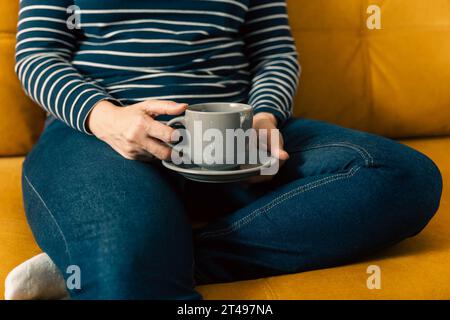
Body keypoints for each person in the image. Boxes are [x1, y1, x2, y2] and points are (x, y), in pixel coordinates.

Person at [16, 0, 442, 299]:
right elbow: (36, 54)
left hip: (234, 128)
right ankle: (125, 258)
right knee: (126, 276)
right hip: (100, 133)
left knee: (402, 176)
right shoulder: (102, 122)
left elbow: (274, 52)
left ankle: (147, 257)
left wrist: (265, 116)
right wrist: (106, 117)